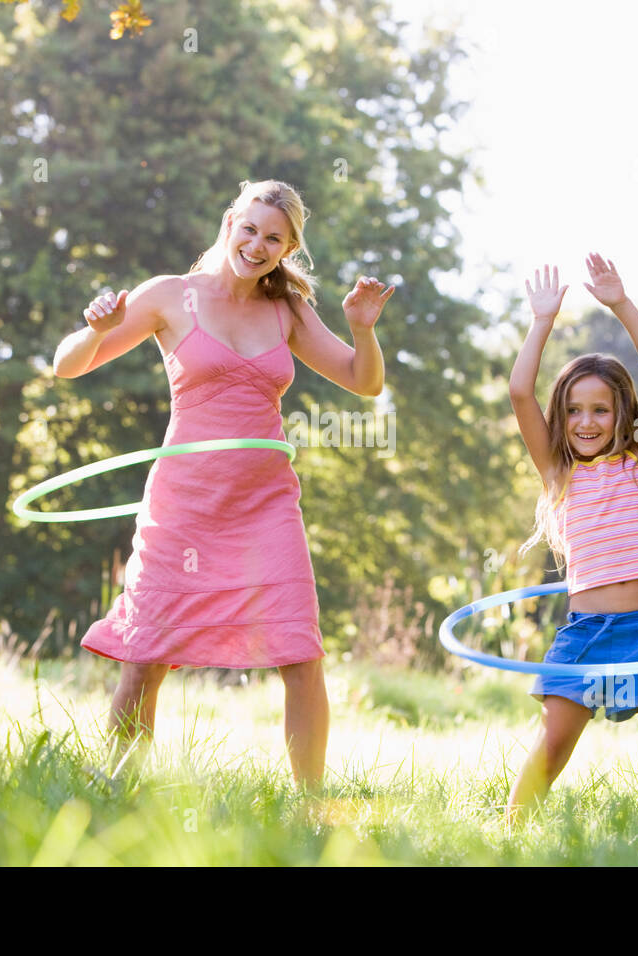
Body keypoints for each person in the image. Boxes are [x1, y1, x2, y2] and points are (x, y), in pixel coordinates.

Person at [51, 179, 395, 790]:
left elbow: (362, 381)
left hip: (265, 504)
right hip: (184, 503)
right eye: (251, 229)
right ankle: (120, 787)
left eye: (274, 238)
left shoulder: (286, 309)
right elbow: (67, 365)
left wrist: (363, 329)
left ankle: (311, 805)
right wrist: (96, 329)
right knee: (147, 656)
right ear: (230, 220)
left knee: (299, 650)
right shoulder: (169, 296)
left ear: (288, 249)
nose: (258, 245)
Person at [505, 254, 638, 825]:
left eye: (600, 409)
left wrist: (619, 302)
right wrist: (542, 320)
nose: (586, 422)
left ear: (625, 414)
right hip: (585, 635)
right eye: (573, 411)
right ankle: (509, 840)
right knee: (552, 747)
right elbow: (521, 392)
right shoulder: (558, 474)